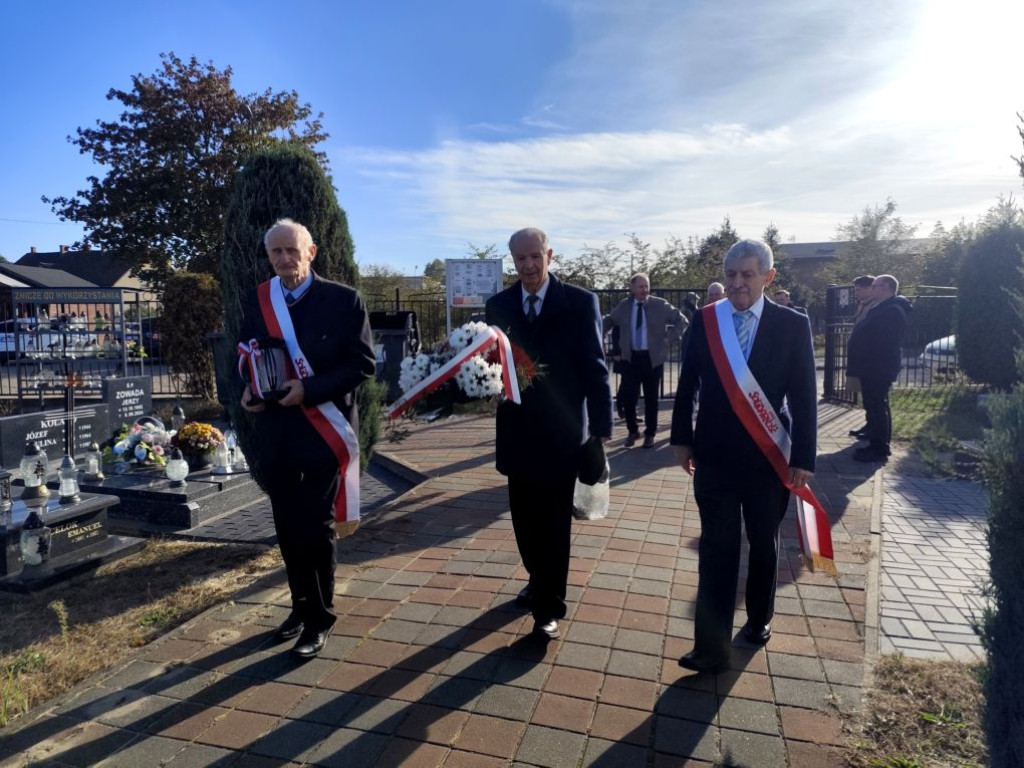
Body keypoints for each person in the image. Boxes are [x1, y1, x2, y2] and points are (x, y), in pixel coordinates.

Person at [670, 239, 817, 673]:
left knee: (763, 543)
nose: (737, 283)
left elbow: (804, 395)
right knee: (717, 547)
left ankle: (758, 618)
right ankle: (710, 647)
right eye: (731, 274)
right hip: (713, 456)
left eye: (747, 275)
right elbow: (688, 383)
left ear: (768, 277)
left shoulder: (792, 325)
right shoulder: (706, 320)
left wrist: (803, 456)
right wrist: (682, 438)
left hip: (767, 460)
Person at [240, 219, 375, 658]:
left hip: (323, 427)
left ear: (311, 252)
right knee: (285, 525)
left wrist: (310, 390)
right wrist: (248, 387)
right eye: (275, 251)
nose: (283, 259)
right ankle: (300, 606)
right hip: (278, 430)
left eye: (291, 250)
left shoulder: (343, 300)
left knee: (316, 528)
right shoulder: (262, 299)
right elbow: (244, 351)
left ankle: (320, 617)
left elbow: (361, 365)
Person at [486, 227, 613, 640]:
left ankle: (549, 607)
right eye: (519, 259)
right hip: (518, 433)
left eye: (534, 257)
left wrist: (600, 432)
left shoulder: (579, 303)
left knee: (555, 525)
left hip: (563, 434)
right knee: (524, 523)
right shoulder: (499, 306)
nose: (527, 266)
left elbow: (596, 369)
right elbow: (491, 366)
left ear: (549, 255)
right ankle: (538, 577)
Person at [603, 274, 687, 448]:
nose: (644, 290)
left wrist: (670, 338)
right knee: (629, 399)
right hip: (630, 359)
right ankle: (632, 431)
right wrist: (598, 336)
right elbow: (609, 321)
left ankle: (650, 433)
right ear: (632, 288)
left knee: (651, 399)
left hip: (652, 359)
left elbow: (682, 320)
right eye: (640, 287)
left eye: (646, 286)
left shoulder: (660, 305)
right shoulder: (624, 306)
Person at [846, 274, 911, 463]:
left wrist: (865, 356)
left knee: (877, 406)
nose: (872, 288)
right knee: (873, 405)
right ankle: (875, 443)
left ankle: (880, 448)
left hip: (877, 368)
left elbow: (884, 342)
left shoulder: (892, 310)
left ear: (886, 288)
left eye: (875, 285)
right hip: (871, 367)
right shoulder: (882, 307)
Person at [846, 275, 878, 438]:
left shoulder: (875, 306)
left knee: (876, 401)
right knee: (867, 398)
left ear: (869, 288)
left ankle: (876, 432)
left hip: (871, 361)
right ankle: (869, 426)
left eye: (858, 289)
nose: (856, 293)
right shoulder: (863, 305)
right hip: (862, 360)